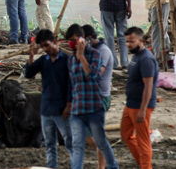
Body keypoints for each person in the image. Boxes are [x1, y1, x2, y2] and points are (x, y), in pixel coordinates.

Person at [65, 24, 119, 169]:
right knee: (77, 144)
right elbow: (72, 83)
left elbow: (93, 76)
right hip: (78, 106)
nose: (72, 43)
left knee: (99, 140)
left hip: (95, 103)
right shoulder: (71, 60)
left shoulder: (97, 54)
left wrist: (81, 56)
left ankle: (108, 165)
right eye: (69, 41)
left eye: (74, 40)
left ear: (83, 39)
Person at [24, 29, 72, 169]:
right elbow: (29, 74)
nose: (45, 49)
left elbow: (71, 84)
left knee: (69, 141)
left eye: (47, 45)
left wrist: (69, 105)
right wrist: (31, 57)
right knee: (50, 144)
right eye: (43, 46)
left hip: (62, 107)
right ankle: (52, 167)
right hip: (46, 108)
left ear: (55, 42)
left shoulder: (66, 60)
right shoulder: (43, 60)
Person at [121, 27, 158, 169]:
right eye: (127, 42)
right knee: (126, 134)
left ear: (141, 41)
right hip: (130, 104)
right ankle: (141, 163)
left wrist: (143, 110)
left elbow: (148, 86)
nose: (129, 44)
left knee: (143, 141)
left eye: (132, 41)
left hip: (140, 106)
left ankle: (145, 166)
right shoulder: (136, 56)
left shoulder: (146, 59)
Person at [82, 25, 115, 169]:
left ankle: (103, 163)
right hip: (92, 97)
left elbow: (95, 75)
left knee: (91, 134)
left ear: (89, 38)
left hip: (100, 98)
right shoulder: (94, 50)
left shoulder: (103, 52)